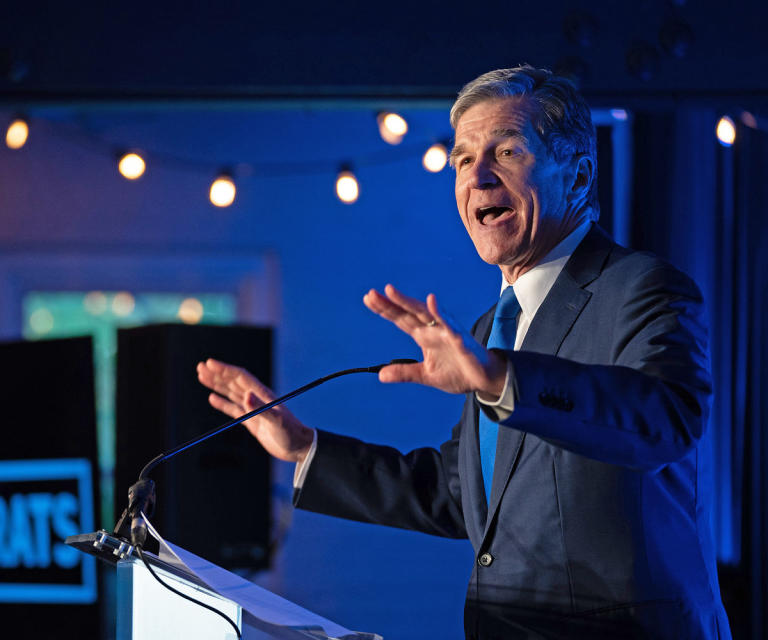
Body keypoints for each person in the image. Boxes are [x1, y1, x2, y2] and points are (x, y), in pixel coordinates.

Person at [196, 65, 730, 639]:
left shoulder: (643, 287)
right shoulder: (491, 325)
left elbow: (662, 422)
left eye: (507, 152)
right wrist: (306, 450)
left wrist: (502, 379)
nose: (478, 177)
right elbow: (460, 493)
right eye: (462, 158)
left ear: (577, 177)